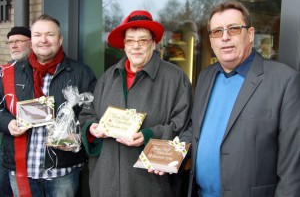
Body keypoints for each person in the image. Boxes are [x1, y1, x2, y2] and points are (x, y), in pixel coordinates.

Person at [180, 0, 300, 197]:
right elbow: (196, 130)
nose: (225, 37)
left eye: (234, 29)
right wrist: (166, 155)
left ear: (250, 34)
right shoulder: (205, 76)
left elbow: (293, 168)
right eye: (217, 31)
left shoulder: (284, 82)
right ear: (211, 40)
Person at [79, 10, 192, 197]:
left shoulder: (175, 78)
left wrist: (148, 135)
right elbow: (87, 114)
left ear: (154, 43)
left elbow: (185, 127)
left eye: (143, 40)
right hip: (106, 182)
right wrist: (92, 128)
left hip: (150, 184)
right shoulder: (108, 77)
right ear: (124, 45)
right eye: (130, 40)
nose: (136, 47)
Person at [0, 14, 96, 197]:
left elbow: (93, 113)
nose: (43, 40)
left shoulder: (82, 73)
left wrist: (77, 136)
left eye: (50, 34)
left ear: (60, 39)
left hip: (63, 171)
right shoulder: (9, 73)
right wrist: (8, 123)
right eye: (37, 35)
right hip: (21, 170)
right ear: (32, 40)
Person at [0, 26, 31, 197]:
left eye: (19, 41)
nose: (14, 45)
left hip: (46, 157)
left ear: (32, 43)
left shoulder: (44, 71)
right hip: (11, 152)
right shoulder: (3, 73)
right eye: (10, 42)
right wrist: (7, 122)